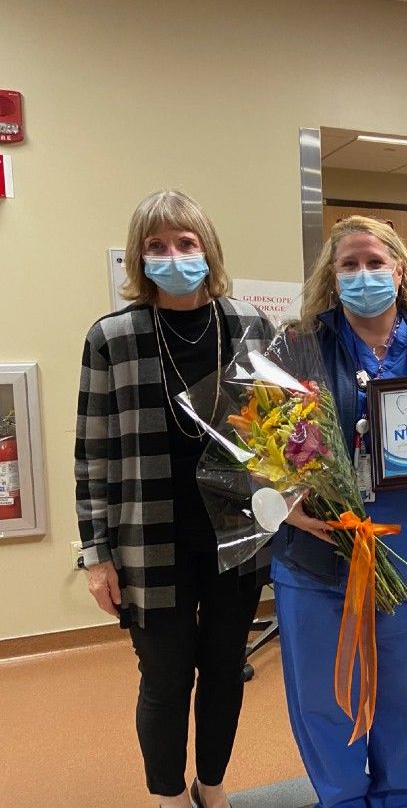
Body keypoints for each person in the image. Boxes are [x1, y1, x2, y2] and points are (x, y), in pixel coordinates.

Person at [76, 189, 273, 808]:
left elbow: (279, 434)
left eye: (185, 243)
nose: (172, 256)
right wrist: (95, 554)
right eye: (156, 246)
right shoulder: (113, 336)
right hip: (147, 543)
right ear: (139, 258)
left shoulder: (249, 327)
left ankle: (210, 786)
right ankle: (165, 795)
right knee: (163, 681)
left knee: (224, 675)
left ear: (207, 250)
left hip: (234, 536)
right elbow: (92, 452)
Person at [272, 215, 407, 807]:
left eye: (374, 262)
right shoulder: (298, 343)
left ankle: (403, 799)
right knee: (323, 695)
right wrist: (284, 502)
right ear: (332, 278)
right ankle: (341, 799)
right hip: (321, 548)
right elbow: (263, 449)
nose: (363, 274)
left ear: (399, 269)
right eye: (349, 265)